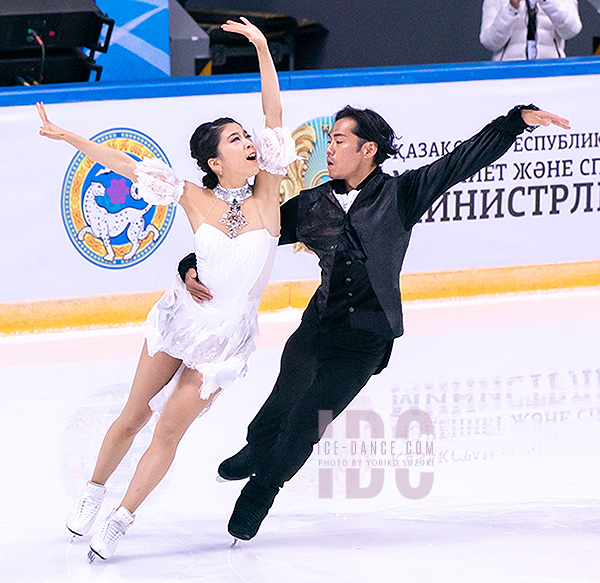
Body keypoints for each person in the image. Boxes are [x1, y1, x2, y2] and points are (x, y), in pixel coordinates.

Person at [183, 103, 569, 541]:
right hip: (316, 328)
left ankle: (261, 492)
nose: (329, 148)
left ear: (368, 149)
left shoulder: (401, 194)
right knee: (282, 401)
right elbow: (246, 235)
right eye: (328, 140)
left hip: (365, 338)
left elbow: (463, 160)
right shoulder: (310, 204)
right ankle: (258, 446)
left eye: (340, 140)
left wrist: (515, 122)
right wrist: (191, 263)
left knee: (308, 421)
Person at [37, 18, 296, 561]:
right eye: (236, 140)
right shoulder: (190, 196)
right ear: (213, 161)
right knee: (134, 413)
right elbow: (125, 164)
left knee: (169, 433)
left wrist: (263, 46)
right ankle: (92, 492)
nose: (250, 142)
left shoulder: (268, 192)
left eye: (247, 138)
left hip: (227, 337)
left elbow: (274, 114)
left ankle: (120, 519)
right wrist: (69, 138)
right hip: (181, 320)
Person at [480, 0, 582, 61]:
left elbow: (572, 30)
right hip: (509, 75)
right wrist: (511, 8)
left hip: (551, 73)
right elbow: (489, 42)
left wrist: (547, 2)